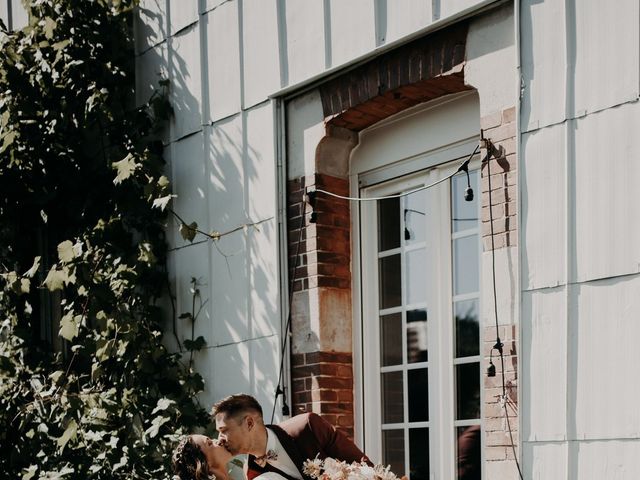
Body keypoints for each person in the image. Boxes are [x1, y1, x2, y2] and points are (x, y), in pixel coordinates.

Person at [213, 394, 372, 480]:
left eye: (224, 430)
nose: (220, 438)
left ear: (249, 423)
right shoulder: (252, 472)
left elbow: (364, 466)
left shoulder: (307, 427)